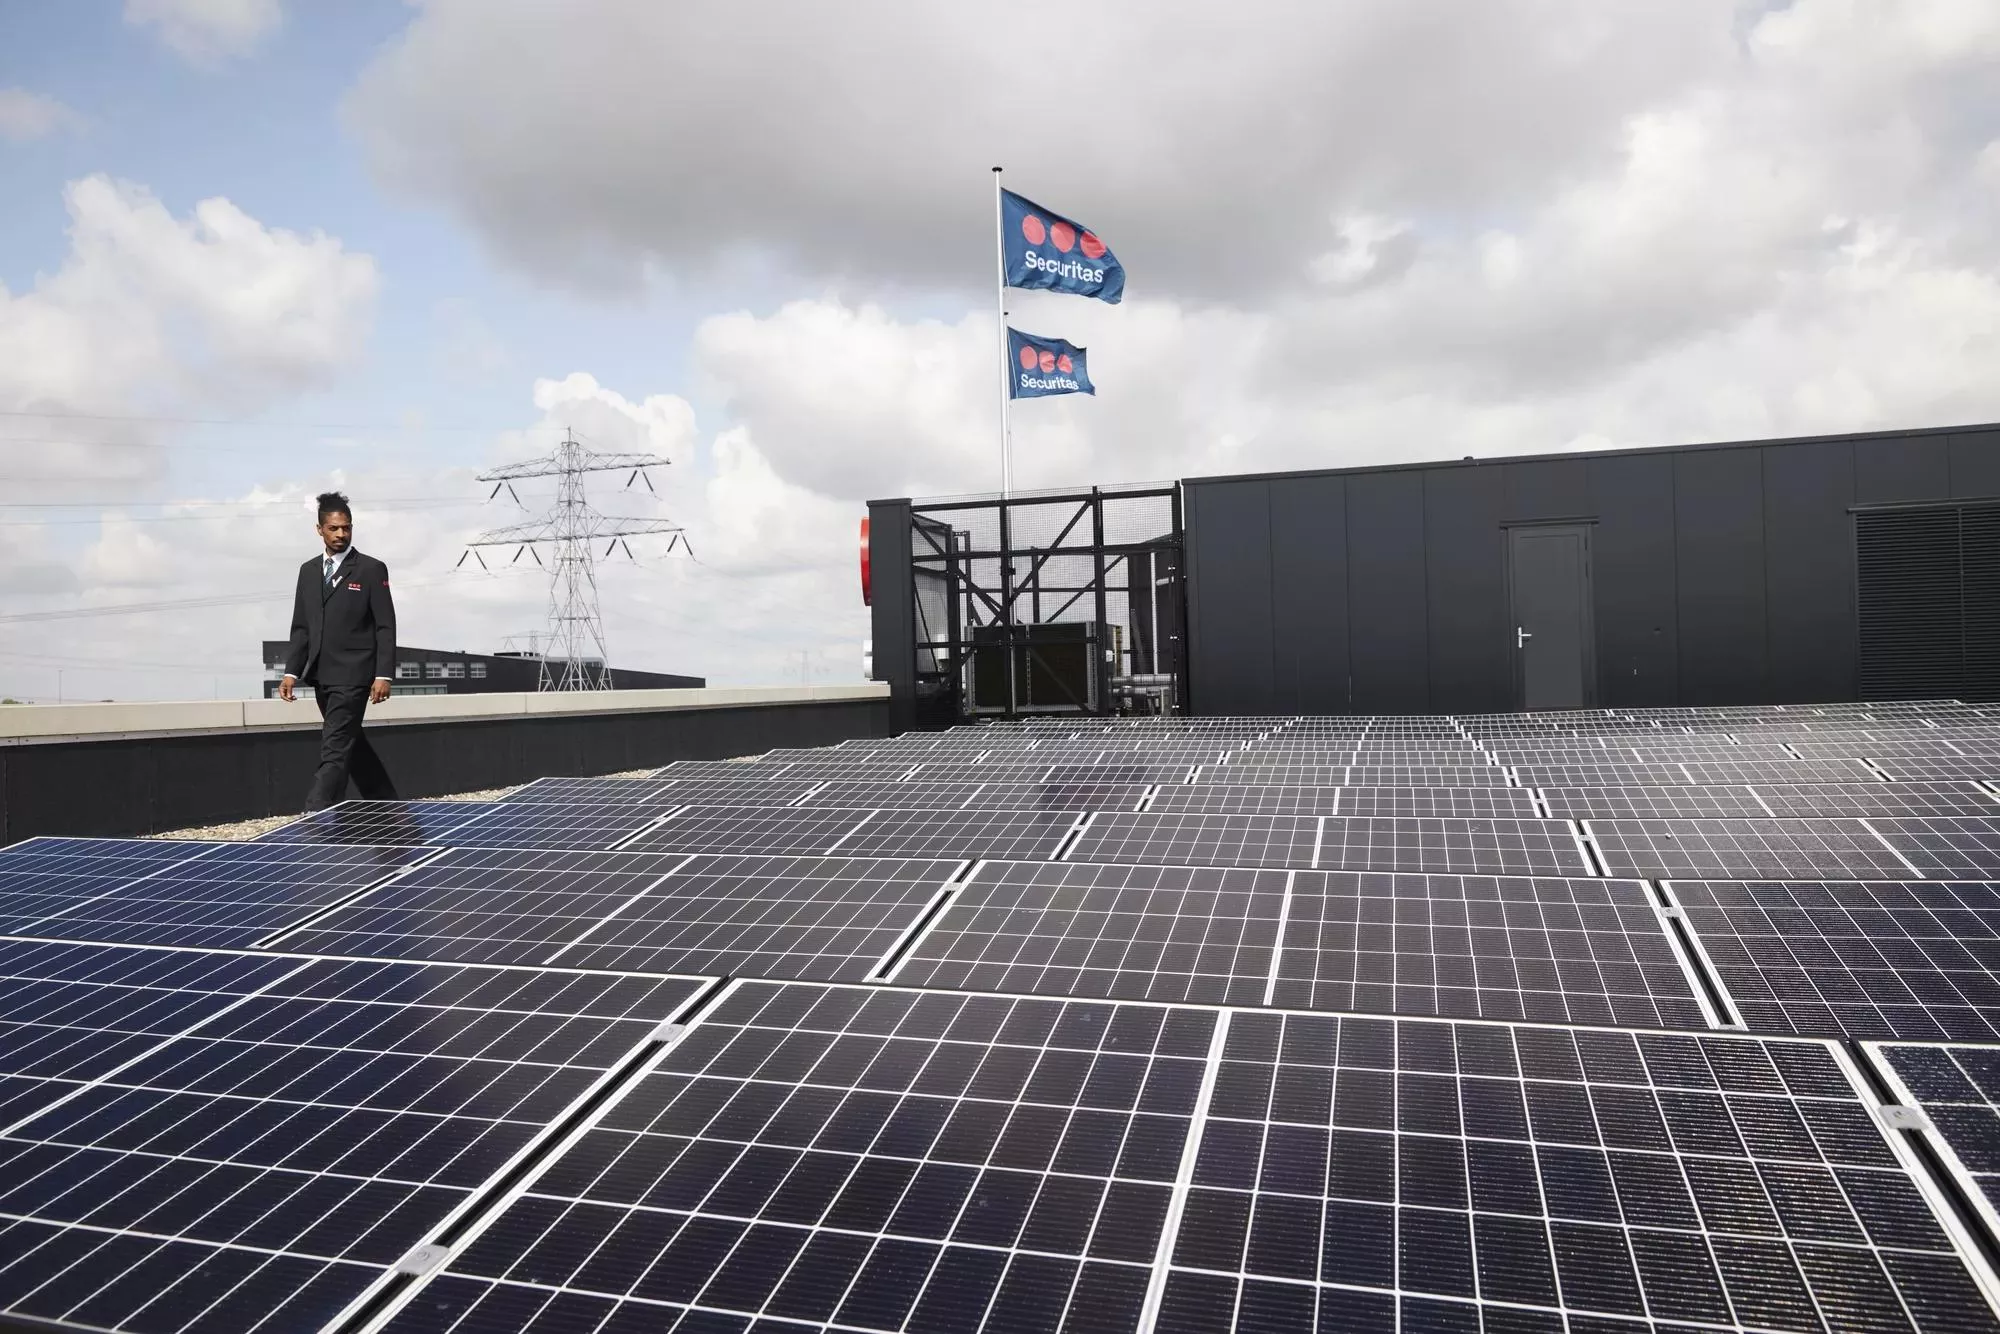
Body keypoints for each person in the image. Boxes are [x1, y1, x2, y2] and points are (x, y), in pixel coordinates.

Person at [279, 492, 400, 810]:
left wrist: (383, 673)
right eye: (333, 528)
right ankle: (388, 805)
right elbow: (301, 626)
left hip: (355, 675)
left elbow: (385, 626)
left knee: (334, 745)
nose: (340, 534)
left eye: (346, 528)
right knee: (350, 742)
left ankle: (315, 812)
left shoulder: (371, 569)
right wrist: (291, 671)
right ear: (320, 529)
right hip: (321, 675)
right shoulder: (307, 571)